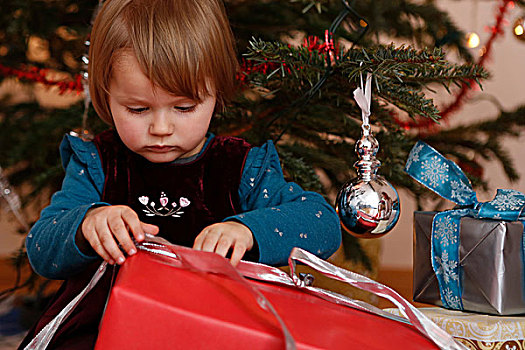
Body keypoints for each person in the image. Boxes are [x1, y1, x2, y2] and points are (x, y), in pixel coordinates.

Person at [20, 0, 341, 348]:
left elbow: (322, 222)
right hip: (106, 331)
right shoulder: (97, 163)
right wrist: (87, 224)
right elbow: (41, 248)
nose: (161, 128)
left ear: (216, 92)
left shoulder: (242, 166)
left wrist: (248, 230)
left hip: (211, 331)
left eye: (184, 107)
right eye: (137, 109)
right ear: (105, 94)